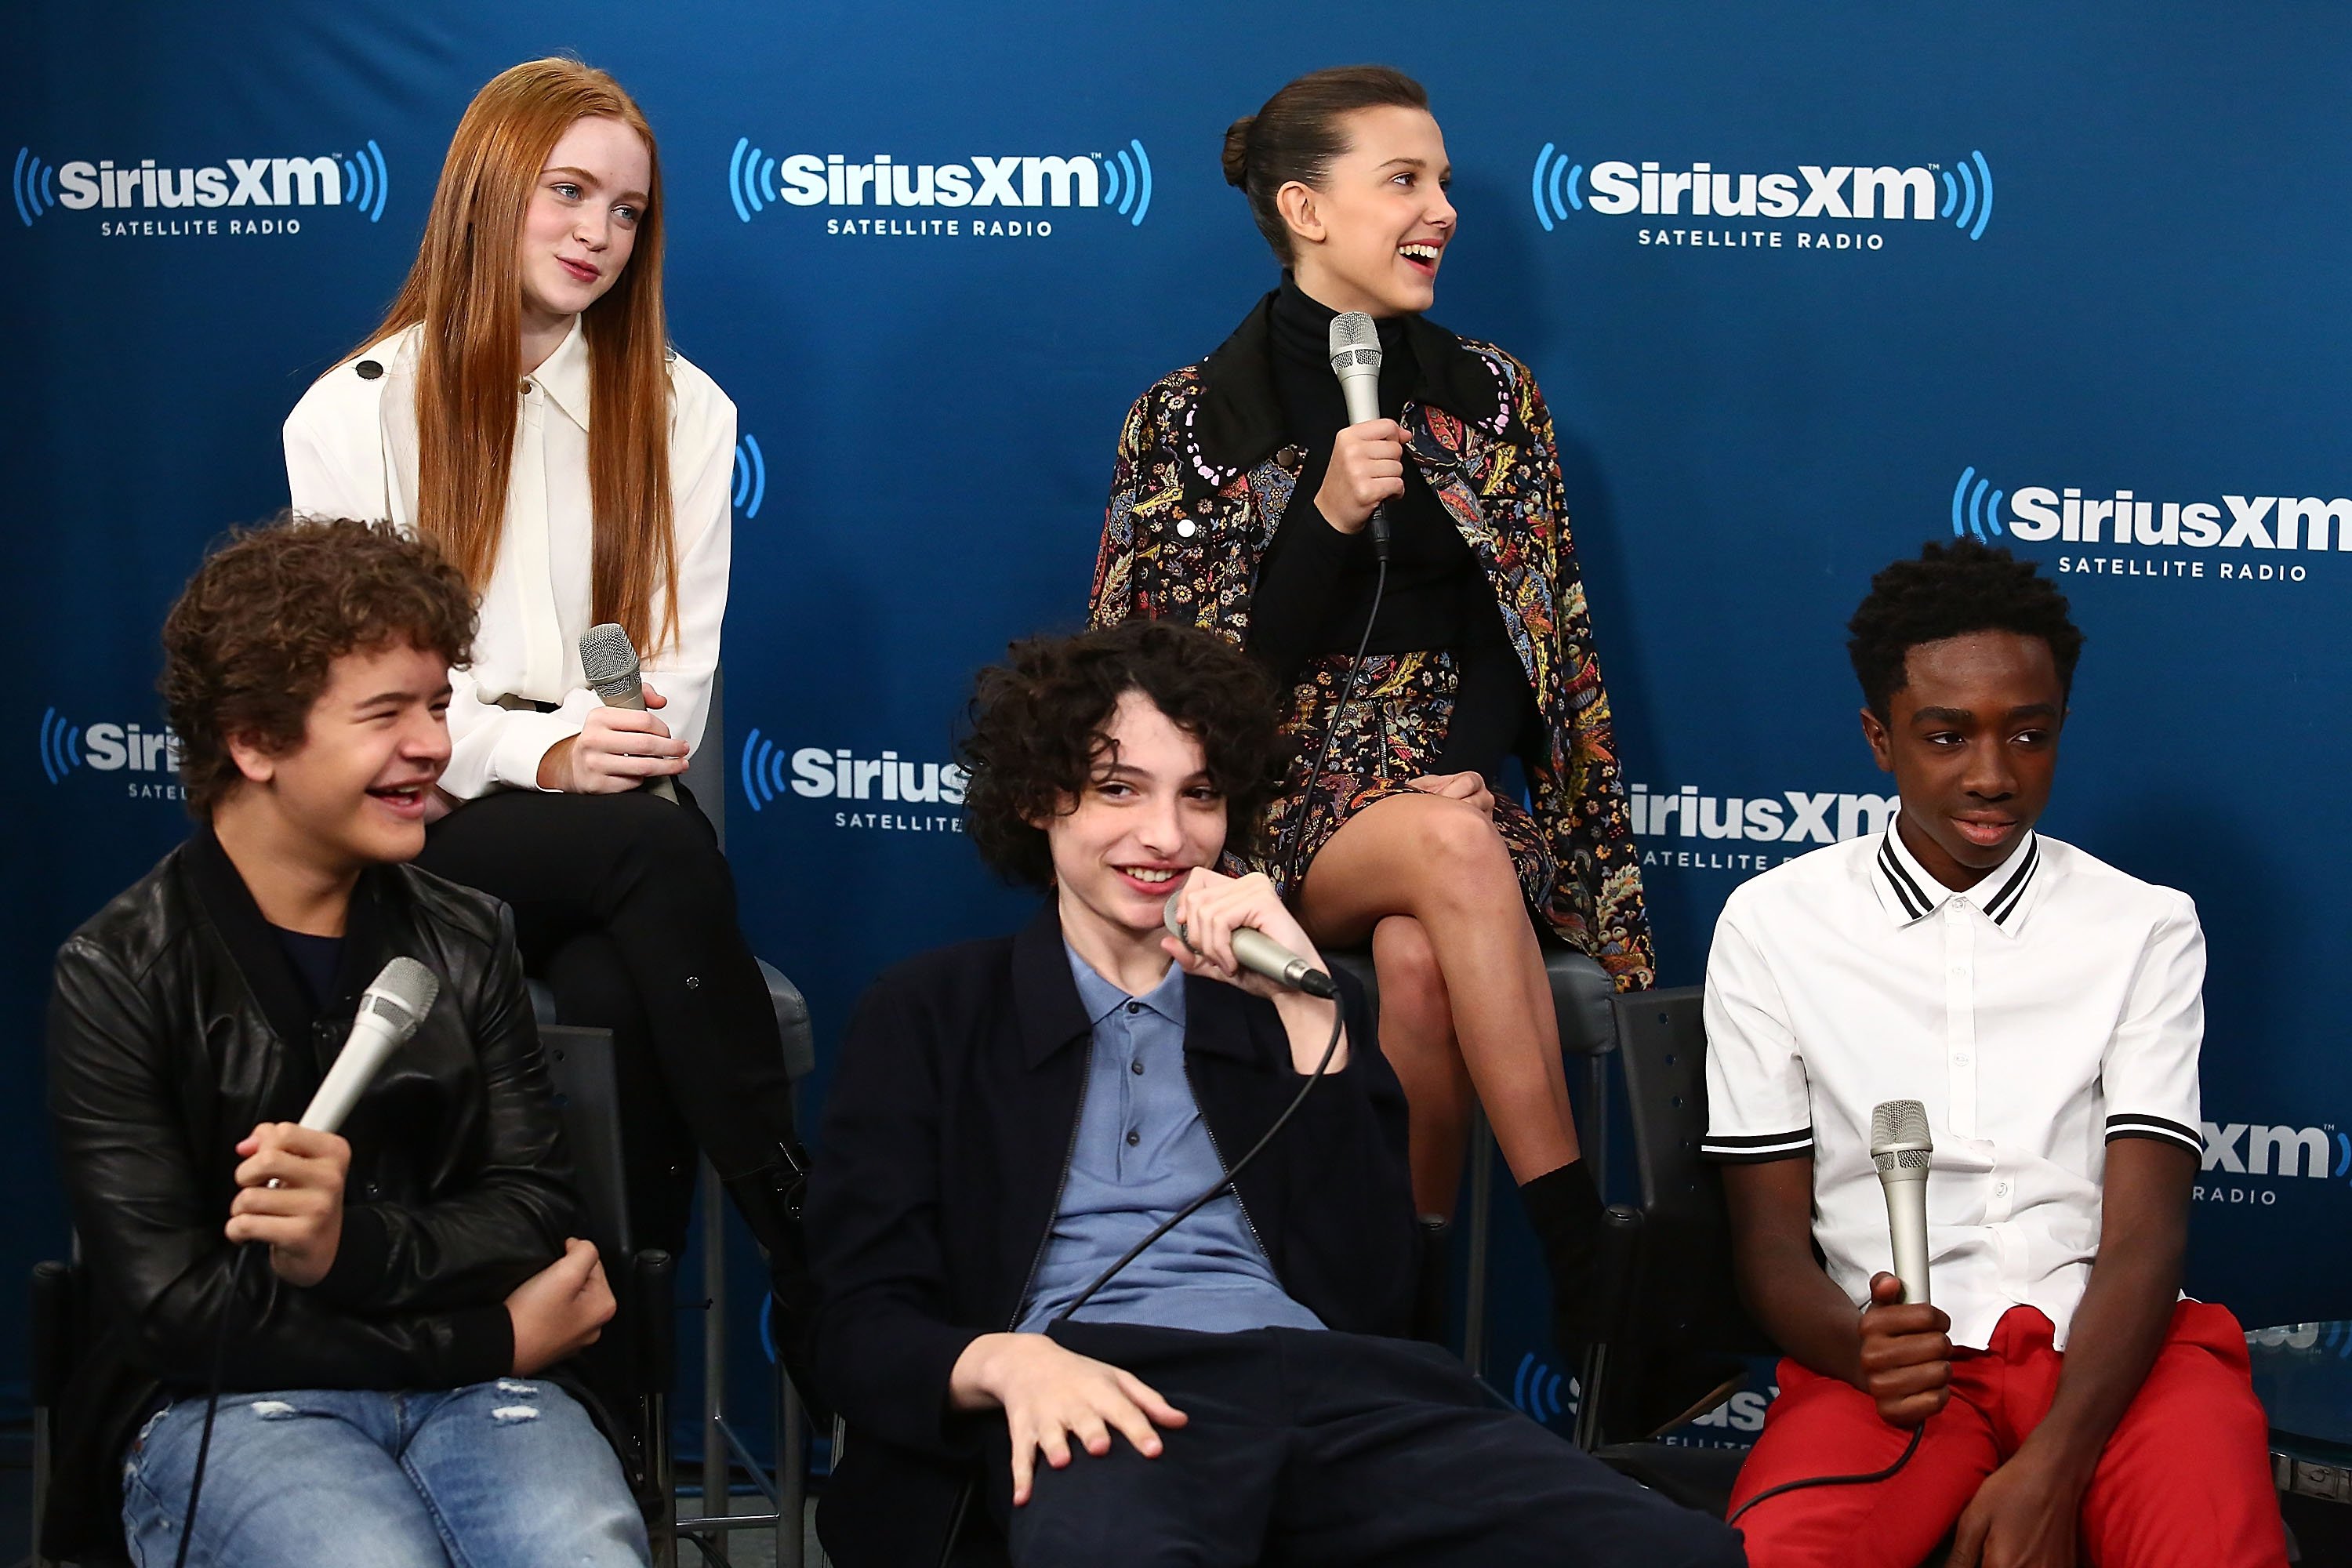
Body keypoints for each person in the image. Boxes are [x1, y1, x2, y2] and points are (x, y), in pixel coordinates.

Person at [805, 619, 1741, 1568]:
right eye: (1120, 789)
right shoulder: (932, 1011)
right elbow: (851, 1319)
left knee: (1674, 1550)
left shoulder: (1290, 1012)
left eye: (1199, 794)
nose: (1166, 836)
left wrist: (1308, 1014)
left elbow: (1376, 1299)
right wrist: (1008, 1362)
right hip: (1096, 1389)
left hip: (1332, 1386)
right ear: (1042, 799)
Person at [1088, 64, 1654, 1371]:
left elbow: (1532, 634)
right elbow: (1177, 695)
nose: (1442, 208)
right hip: (1265, 795)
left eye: (1442, 180)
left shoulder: (1492, 395)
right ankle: (1584, 1261)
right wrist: (1324, 522)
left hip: (1448, 786)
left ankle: (1392, 1313)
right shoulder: (1187, 424)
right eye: (1405, 179)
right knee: (1444, 864)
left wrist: (1453, 772)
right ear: (1305, 207)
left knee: (1417, 953)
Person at [280, 58, 808, 1341]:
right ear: (490, 190)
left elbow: (666, 677)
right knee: (651, 847)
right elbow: (373, 703)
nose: (599, 235)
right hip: (416, 818)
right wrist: (545, 750)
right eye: (569, 192)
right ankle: (811, 1246)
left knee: (624, 980)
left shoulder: (685, 411)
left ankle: (618, 1386)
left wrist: (591, 751)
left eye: (627, 212)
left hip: (608, 826)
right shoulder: (353, 414)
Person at [45, 516, 645, 1567]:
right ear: (257, 741)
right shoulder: (119, 971)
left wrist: (345, 1250)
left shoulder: (468, 934)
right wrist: (490, 1336)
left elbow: (534, 1213)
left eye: (438, 705)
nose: (433, 746)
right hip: (227, 1404)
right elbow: (181, 1318)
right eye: (386, 714)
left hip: (484, 1401)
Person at [1702, 539, 2288, 1568]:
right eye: (1946, 736)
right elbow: (1767, 1249)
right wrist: (1859, 1347)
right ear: (1880, 739)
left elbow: (2145, 1239)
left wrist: (2055, 1468)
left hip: (2119, 1356)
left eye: (2029, 735)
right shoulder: (1772, 924)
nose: (1992, 776)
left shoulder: (2143, 927)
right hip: (1894, 1375)